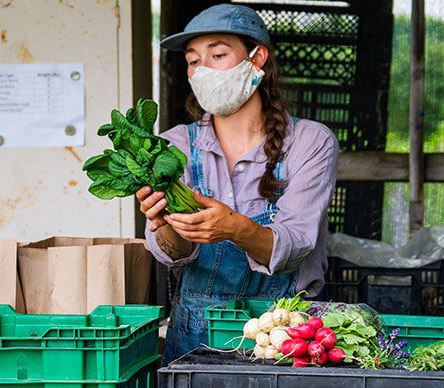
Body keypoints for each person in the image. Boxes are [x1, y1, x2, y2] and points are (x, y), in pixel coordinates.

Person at [138, 4, 339, 364]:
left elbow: (297, 244)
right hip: (194, 338)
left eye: (217, 54)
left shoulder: (310, 142)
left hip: (286, 336)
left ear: (257, 58)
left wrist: (234, 228)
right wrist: (167, 226)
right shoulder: (172, 148)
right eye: (193, 61)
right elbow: (172, 252)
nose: (202, 70)